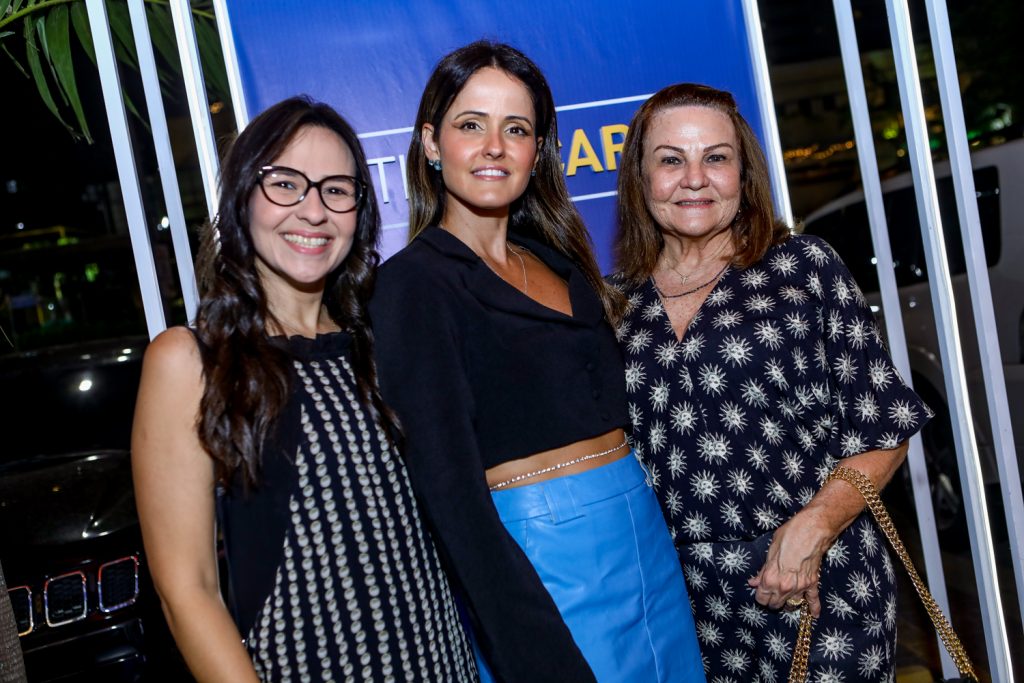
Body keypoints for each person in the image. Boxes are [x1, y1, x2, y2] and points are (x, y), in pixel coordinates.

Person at [369, 42, 704, 683]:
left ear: (536, 152)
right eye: (472, 125)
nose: (494, 146)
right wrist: (523, 644)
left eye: (515, 129)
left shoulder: (560, 264)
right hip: (542, 559)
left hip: (644, 538)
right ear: (431, 145)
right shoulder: (412, 286)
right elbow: (451, 496)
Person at [131, 96, 477, 682]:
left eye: (336, 189)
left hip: (445, 664)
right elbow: (186, 590)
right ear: (242, 198)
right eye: (286, 184)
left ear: (359, 213)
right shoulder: (191, 363)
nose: (313, 211)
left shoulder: (384, 343)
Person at [611, 82, 931, 681]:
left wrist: (816, 526)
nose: (695, 178)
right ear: (640, 179)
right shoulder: (616, 307)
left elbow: (886, 426)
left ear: (743, 172)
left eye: (716, 157)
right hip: (688, 609)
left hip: (822, 583)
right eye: (671, 160)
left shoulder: (802, 269)